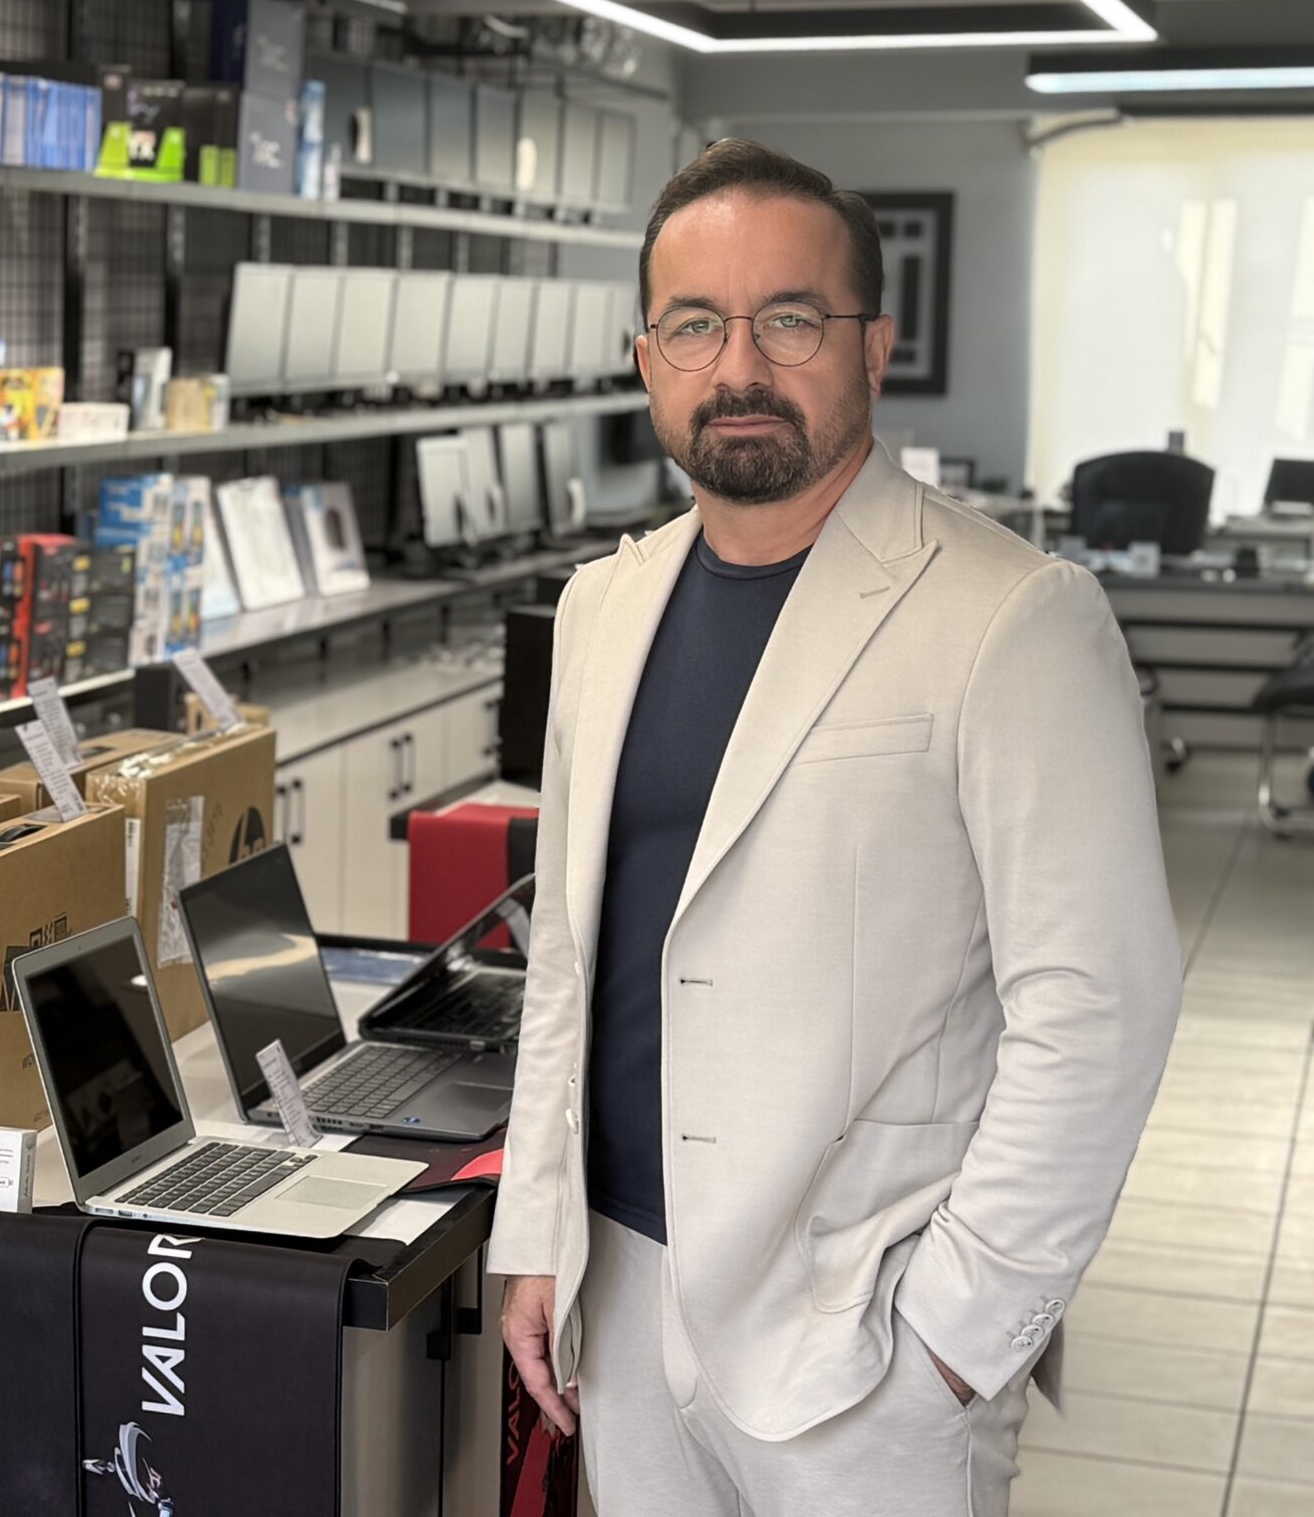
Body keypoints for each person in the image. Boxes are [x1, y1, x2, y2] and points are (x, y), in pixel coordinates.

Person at [487, 138, 1181, 1514]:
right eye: (696, 324)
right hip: (621, 1293)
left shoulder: (1012, 616)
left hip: (865, 1335)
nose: (739, 366)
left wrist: (958, 1337)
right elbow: (566, 958)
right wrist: (537, 1232)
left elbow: (1099, 1002)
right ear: (646, 359)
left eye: (790, 319)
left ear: (873, 345)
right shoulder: (600, 610)